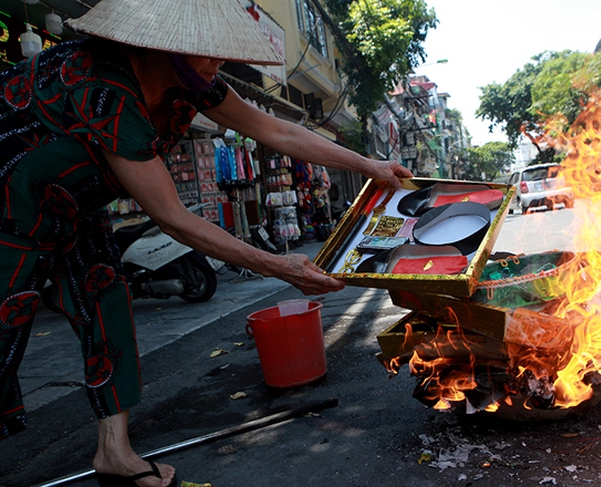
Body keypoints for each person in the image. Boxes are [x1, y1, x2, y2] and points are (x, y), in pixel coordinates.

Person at [0, 1, 412, 486]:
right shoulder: (103, 83)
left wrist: (370, 166)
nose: (218, 63)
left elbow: (276, 128)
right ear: (161, 47)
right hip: (11, 200)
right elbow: (173, 218)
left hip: (75, 202)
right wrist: (278, 265)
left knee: (107, 296)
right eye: (208, 53)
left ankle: (115, 450)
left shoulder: (193, 82)